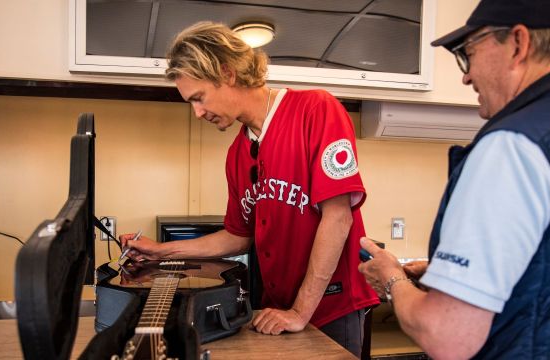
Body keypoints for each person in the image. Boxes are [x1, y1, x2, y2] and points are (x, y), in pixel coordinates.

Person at [358, 0, 550, 358]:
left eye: (468, 53)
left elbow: (447, 335)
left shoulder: (514, 144)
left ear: (517, 43)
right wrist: (450, 279)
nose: (466, 75)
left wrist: (391, 279)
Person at [119, 21, 379, 357]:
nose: (197, 113)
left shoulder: (316, 109)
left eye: (199, 98)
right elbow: (237, 236)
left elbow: (338, 217)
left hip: (329, 308)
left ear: (227, 74)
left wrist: (300, 312)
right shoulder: (237, 154)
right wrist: (161, 252)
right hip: (277, 310)